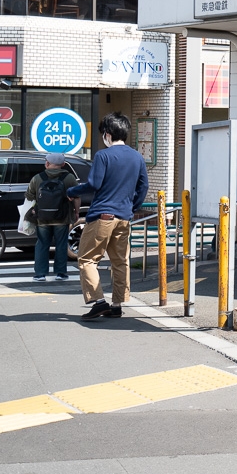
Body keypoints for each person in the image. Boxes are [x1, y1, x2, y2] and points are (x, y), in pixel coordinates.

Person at [68, 112, 148, 319]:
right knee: (120, 261)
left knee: (87, 259)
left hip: (102, 215)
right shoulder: (137, 157)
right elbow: (143, 187)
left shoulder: (103, 156)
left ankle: (99, 301)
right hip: (124, 217)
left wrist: (72, 192)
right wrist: (132, 208)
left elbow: (94, 184)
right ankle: (117, 304)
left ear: (108, 134)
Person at [26, 153, 80, 282]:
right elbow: (77, 197)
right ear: (63, 164)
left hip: (42, 218)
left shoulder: (37, 178)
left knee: (42, 244)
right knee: (61, 244)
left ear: (47, 164)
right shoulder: (69, 178)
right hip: (62, 218)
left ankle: (40, 274)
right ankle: (61, 273)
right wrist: (76, 212)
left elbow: (29, 196)